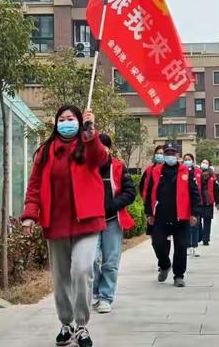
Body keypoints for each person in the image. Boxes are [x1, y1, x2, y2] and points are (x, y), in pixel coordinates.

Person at [22, 105, 107, 347]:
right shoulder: (46, 150)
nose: (66, 122)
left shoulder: (88, 144)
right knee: (61, 277)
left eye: (71, 119)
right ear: (55, 122)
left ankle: (82, 325)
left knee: (81, 270)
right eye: (62, 119)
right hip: (56, 222)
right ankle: (66, 323)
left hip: (87, 222)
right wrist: (30, 214)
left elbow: (100, 159)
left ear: (80, 122)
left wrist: (91, 132)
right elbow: (35, 184)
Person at [145, 142, 200, 287]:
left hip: (181, 217)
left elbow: (194, 193)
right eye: (167, 153)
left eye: (172, 153)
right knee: (157, 243)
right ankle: (164, 264)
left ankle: (179, 275)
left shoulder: (186, 171)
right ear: (164, 155)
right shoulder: (156, 171)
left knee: (181, 247)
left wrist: (194, 213)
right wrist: (149, 213)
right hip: (160, 216)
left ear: (177, 155)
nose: (170, 156)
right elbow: (149, 192)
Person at [93, 134, 136, 314]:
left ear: (110, 149)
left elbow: (130, 192)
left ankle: (106, 297)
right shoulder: (86, 167)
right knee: (90, 260)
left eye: (104, 147)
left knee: (110, 262)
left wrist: (112, 205)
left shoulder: (118, 166)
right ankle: (94, 292)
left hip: (112, 221)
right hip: (91, 222)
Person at [183, 153, 202, 257]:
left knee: (195, 226)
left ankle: (195, 247)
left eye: (189, 159)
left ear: (193, 161)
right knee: (186, 227)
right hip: (184, 203)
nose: (187, 161)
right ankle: (188, 246)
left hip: (196, 202)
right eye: (185, 159)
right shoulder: (180, 171)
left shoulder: (198, 172)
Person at [199, 159, 218, 246]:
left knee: (207, 220)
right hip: (199, 200)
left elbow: (216, 189)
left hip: (208, 201)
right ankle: (199, 236)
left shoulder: (212, 176)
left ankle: (206, 239)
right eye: (203, 162)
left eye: (206, 163)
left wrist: (218, 201)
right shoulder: (197, 173)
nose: (204, 164)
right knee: (198, 221)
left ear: (209, 165)